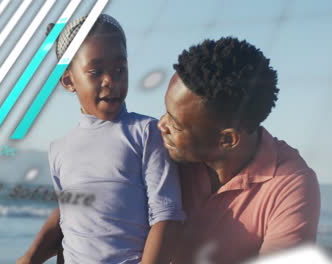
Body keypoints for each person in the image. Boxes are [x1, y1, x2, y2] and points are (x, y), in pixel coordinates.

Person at [16, 14, 185, 264]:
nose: (110, 80)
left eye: (120, 69)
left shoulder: (145, 132)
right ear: (68, 81)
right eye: (95, 71)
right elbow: (68, 214)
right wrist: (30, 257)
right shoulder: (59, 149)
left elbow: (166, 217)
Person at [157, 37, 321, 263]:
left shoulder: (291, 184)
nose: (160, 125)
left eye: (175, 125)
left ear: (227, 139)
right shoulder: (157, 148)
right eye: (165, 112)